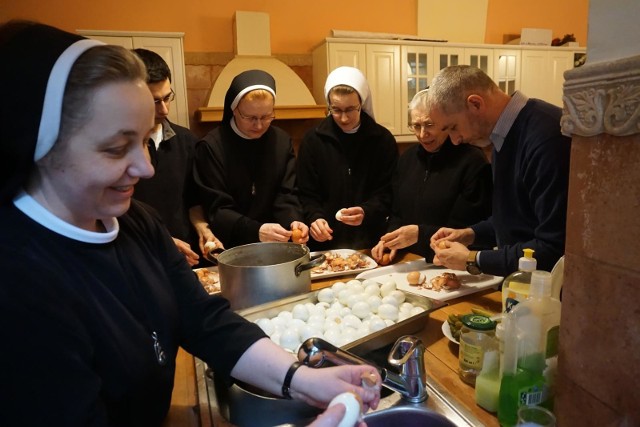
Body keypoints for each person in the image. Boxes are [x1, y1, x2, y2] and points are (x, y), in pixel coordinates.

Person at [0, 21, 380, 426]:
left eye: (146, 140)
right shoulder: (17, 280)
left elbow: (203, 319)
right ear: (37, 144)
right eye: (115, 148)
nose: (146, 168)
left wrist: (301, 380)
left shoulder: (136, 223)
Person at [426, 65, 571, 276]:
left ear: (475, 104)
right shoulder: (503, 136)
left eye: (453, 127)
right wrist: (470, 234)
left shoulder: (546, 138)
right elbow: (516, 218)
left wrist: (472, 259)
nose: (455, 141)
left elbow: (555, 247)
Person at [371, 89, 492, 263]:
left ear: (445, 123)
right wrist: (390, 240)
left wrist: (419, 234)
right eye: (416, 126)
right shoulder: (407, 159)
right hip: (410, 260)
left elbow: (467, 227)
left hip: (451, 264)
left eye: (429, 125)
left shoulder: (471, 161)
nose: (422, 134)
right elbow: (397, 212)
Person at [194, 69, 309, 248]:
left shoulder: (281, 140)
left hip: (275, 245)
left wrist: (294, 220)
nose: (259, 125)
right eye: (250, 117)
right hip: (231, 247)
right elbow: (217, 209)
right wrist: (256, 230)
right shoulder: (211, 147)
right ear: (234, 109)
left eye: (266, 116)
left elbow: (287, 194)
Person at [132, 48, 222, 267]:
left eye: (167, 97)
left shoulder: (186, 140)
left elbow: (193, 201)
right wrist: (162, 241)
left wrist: (203, 229)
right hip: (140, 257)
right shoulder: (120, 149)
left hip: (186, 256)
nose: (164, 109)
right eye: (155, 101)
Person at [297, 66, 398, 251]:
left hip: (370, 242)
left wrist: (366, 211)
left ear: (362, 103)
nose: (344, 118)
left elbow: (388, 193)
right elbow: (306, 193)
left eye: (351, 109)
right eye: (336, 110)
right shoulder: (313, 140)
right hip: (324, 242)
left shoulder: (382, 140)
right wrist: (315, 218)